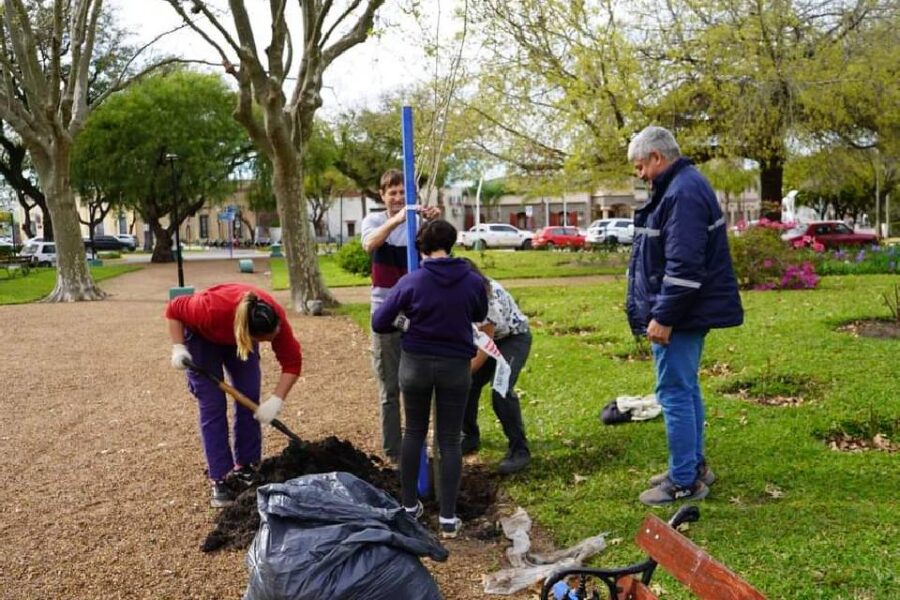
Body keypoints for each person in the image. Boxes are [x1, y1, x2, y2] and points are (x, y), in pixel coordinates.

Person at [625, 126, 743, 506]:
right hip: (686, 312)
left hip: (681, 314)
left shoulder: (682, 192)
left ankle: (683, 482)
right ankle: (691, 466)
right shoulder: (682, 187)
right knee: (686, 389)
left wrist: (664, 316)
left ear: (657, 158)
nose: (640, 174)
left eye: (641, 166)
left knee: (674, 393)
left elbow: (684, 267)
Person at [372, 220, 488, 538]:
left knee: (414, 434)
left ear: (420, 248)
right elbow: (479, 314)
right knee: (450, 440)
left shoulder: (412, 282)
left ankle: (409, 507)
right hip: (455, 366)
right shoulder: (471, 279)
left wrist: (407, 323)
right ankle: (448, 518)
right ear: (451, 245)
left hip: (415, 365)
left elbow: (379, 321)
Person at [166, 283, 302, 508]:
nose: (271, 341)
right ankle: (221, 477)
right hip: (203, 339)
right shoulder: (209, 309)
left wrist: (277, 399)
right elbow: (174, 308)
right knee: (213, 405)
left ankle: (247, 465)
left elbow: (293, 362)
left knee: (249, 395)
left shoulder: (272, 317)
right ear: (250, 334)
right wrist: (178, 347)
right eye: (264, 340)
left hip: (240, 340)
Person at [361, 169, 441, 464]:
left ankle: (424, 442)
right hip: (386, 313)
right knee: (389, 386)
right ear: (382, 196)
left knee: (421, 381)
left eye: (402, 193)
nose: (397, 198)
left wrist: (433, 220)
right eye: (391, 193)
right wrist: (398, 219)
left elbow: (439, 250)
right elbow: (370, 244)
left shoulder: (418, 223)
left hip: (416, 313)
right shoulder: (374, 221)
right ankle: (394, 451)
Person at [460, 258, 533, 474]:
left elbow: (486, 345)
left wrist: (462, 373)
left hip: (512, 338)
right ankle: (469, 436)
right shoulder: (462, 290)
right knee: (468, 384)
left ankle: (519, 449)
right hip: (489, 338)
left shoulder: (486, 298)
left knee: (500, 390)